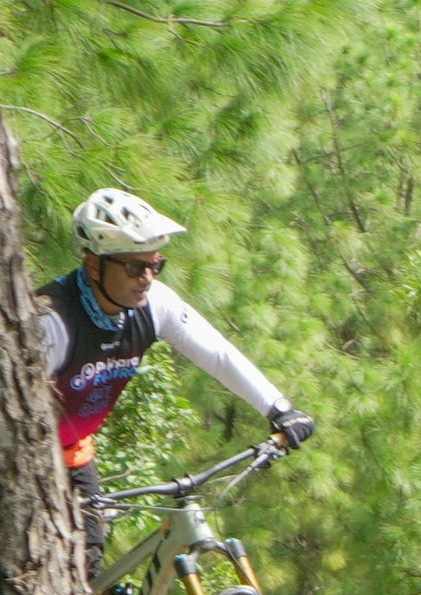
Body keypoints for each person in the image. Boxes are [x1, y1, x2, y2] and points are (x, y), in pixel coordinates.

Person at [41, 185, 317, 498]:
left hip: (75, 454)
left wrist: (279, 410)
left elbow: (218, 354)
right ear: (94, 266)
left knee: (90, 547)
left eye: (155, 265)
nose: (147, 278)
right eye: (135, 267)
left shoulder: (155, 304)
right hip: (25, 461)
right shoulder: (52, 322)